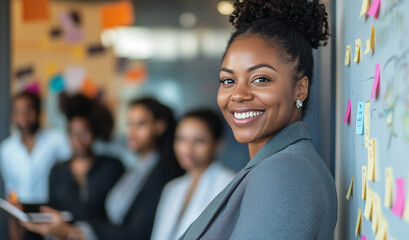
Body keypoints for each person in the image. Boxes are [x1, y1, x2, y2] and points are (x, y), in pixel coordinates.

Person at [179, 0, 337, 239]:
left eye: (261, 79)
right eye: (228, 81)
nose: (238, 94)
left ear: (300, 89)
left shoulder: (285, 171)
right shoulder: (275, 164)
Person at [22, 97, 183, 240]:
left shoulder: (159, 172)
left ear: (160, 126)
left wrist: (73, 231)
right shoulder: (137, 169)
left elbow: (136, 232)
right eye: (129, 124)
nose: (131, 132)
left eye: (140, 124)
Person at [151, 109, 236, 240]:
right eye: (181, 139)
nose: (187, 148)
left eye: (199, 140)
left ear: (218, 144)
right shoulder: (172, 188)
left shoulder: (230, 184)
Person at [48, 94, 124, 222]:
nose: (79, 141)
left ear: (94, 134)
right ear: (68, 136)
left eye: (85, 133)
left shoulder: (112, 167)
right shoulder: (57, 171)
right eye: (74, 134)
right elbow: (52, 209)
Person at [0, 92, 71, 204]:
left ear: (39, 111)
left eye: (28, 111)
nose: (23, 118)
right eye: (17, 112)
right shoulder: (6, 148)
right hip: (20, 209)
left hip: (52, 207)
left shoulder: (57, 140)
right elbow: (11, 187)